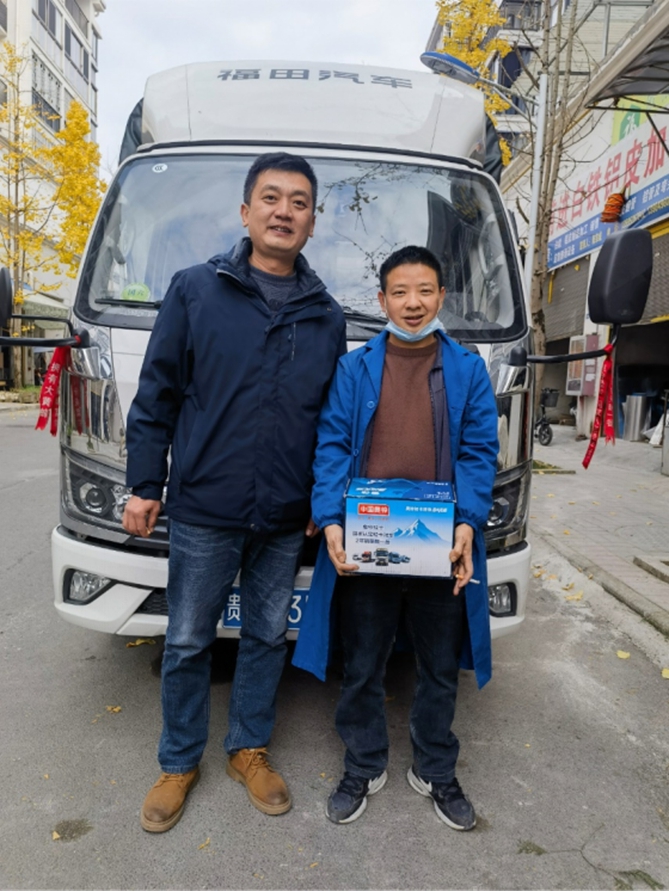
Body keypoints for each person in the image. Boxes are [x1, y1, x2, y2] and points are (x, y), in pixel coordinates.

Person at [122, 152, 346, 833]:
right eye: (271, 198)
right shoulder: (196, 290)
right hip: (204, 506)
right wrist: (144, 483)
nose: (284, 211)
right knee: (189, 639)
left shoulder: (325, 315)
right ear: (246, 212)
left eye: (299, 202)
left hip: (284, 514)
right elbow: (156, 393)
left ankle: (248, 748)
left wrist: (322, 499)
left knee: (266, 635)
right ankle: (177, 761)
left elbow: (330, 419)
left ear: (312, 222)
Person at [293, 245, 498, 829]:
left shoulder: (467, 369)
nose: (413, 303)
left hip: (440, 544)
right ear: (382, 300)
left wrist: (467, 522)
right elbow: (332, 445)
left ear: (441, 296)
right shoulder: (355, 368)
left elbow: (479, 451)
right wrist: (331, 519)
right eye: (401, 292)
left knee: (439, 668)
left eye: (425, 291)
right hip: (369, 541)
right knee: (363, 663)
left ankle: (435, 768)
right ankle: (363, 763)